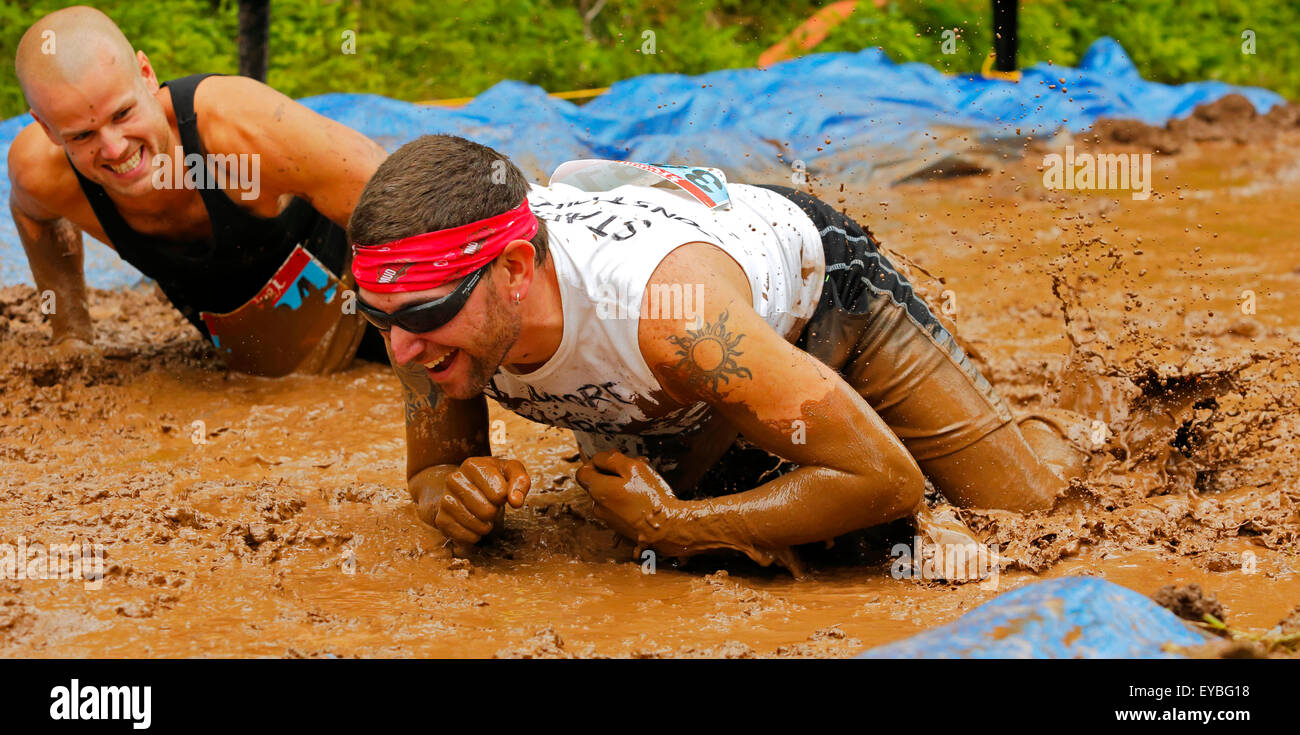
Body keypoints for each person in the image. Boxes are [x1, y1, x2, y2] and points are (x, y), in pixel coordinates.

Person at [348, 134, 1087, 571]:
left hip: (822, 292)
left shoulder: (673, 319)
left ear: (514, 272)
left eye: (426, 314)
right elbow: (435, 471)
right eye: (379, 318)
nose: (403, 347)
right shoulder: (419, 317)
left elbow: (885, 478)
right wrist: (454, 499)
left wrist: (672, 527)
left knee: (1024, 515)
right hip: (676, 368)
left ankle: (1077, 418)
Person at [8, 6, 388, 375]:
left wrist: (424, 324)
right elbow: (32, 215)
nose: (114, 149)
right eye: (83, 135)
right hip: (254, 367)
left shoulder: (237, 126)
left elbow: (387, 192)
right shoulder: (40, 172)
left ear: (146, 75)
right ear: (46, 129)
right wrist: (70, 334)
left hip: (376, 314)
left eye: (123, 114)